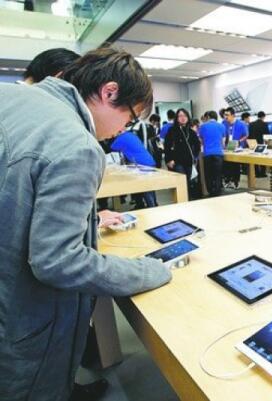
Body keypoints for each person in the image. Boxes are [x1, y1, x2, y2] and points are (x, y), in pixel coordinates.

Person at [0, 48, 172, 401]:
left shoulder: (11, 98)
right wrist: (147, 270)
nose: (123, 130)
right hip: (21, 324)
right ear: (109, 92)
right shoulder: (76, 144)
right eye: (129, 118)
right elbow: (58, 261)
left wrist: (87, 219)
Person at [111, 128, 158, 208]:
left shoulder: (122, 137)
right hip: (149, 161)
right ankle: (147, 205)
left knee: (146, 188)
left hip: (141, 164)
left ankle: (152, 208)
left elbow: (112, 147)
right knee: (148, 187)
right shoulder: (131, 135)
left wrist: (113, 138)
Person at [164, 108, 201, 198]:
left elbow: (197, 145)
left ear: (188, 117)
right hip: (177, 162)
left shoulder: (191, 132)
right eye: (180, 116)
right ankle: (183, 199)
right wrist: (169, 159)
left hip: (189, 162)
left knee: (188, 182)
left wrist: (195, 157)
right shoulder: (172, 130)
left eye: (185, 116)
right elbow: (167, 146)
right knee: (182, 182)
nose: (183, 118)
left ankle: (188, 199)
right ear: (177, 118)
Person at [199, 110, 226, 196]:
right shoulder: (222, 126)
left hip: (207, 153)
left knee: (208, 175)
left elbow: (201, 141)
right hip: (218, 153)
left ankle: (210, 191)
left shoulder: (203, 126)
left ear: (208, 117)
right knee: (218, 174)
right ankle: (217, 192)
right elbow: (223, 142)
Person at [222, 107, 249, 188]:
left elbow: (246, 135)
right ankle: (227, 180)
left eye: (227, 115)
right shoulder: (224, 123)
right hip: (227, 147)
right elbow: (222, 134)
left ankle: (235, 182)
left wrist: (239, 141)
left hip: (237, 147)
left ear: (233, 115)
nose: (225, 117)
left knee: (235, 165)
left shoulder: (241, 124)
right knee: (227, 164)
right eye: (225, 115)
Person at [248, 110, 269, 178]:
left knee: (254, 158)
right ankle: (263, 173)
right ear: (263, 117)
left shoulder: (251, 124)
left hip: (252, 142)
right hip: (260, 143)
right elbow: (267, 134)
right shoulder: (264, 124)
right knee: (263, 158)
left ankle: (256, 173)